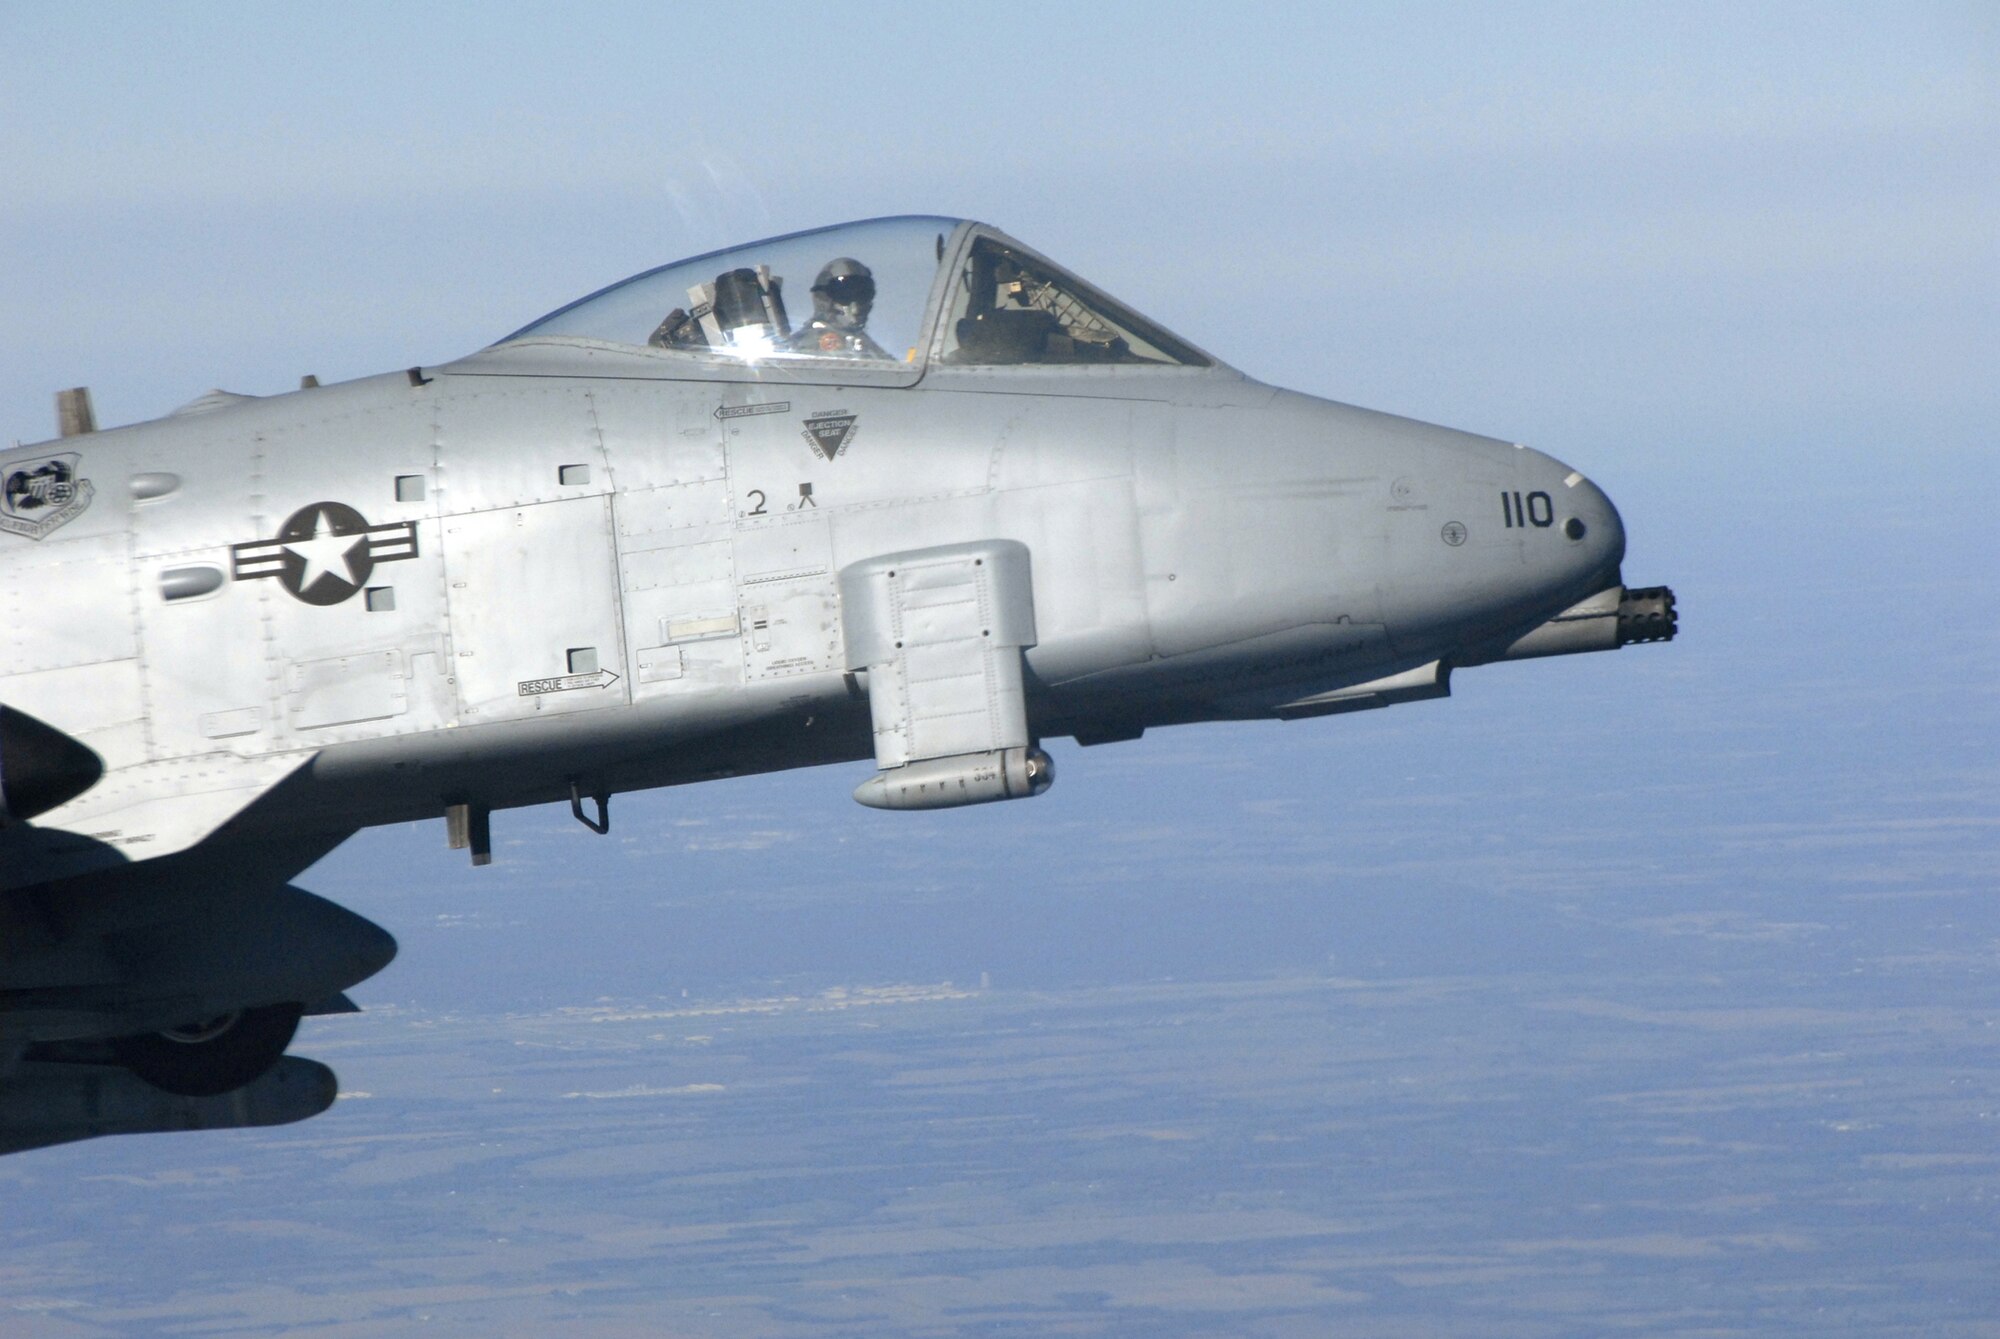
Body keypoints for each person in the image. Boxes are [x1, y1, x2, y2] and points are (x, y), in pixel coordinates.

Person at [788, 258, 890, 358]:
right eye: (844, 295)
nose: (855, 307)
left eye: (863, 294)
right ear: (823, 298)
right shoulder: (804, 345)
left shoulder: (866, 345)